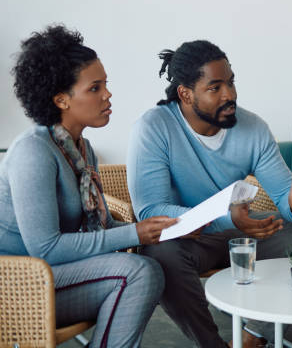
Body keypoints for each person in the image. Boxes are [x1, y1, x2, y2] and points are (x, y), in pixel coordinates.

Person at [127, 39, 292, 348]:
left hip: (241, 231)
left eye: (230, 82)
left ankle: (254, 336)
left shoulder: (253, 128)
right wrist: (227, 218)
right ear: (185, 94)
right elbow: (151, 212)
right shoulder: (153, 127)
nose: (229, 94)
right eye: (215, 88)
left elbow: (284, 193)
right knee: (158, 255)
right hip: (188, 239)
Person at [0, 25, 177, 347]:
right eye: (95, 88)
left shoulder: (81, 149)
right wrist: (136, 234)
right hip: (16, 286)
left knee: (154, 262)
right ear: (61, 100)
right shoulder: (33, 152)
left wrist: (158, 228)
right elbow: (46, 248)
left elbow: (102, 227)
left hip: (50, 276)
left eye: (105, 84)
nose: (107, 95)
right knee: (139, 272)